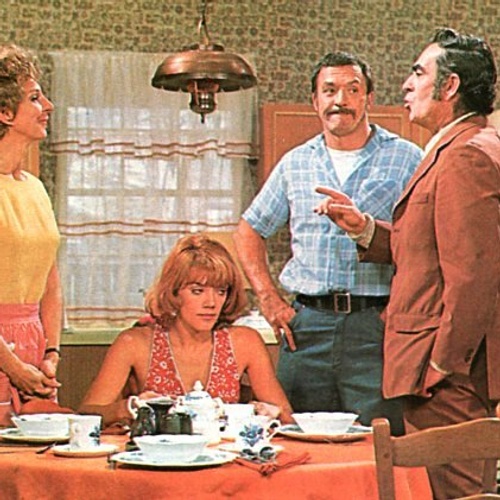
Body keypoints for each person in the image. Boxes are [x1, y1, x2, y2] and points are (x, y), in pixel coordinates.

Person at [315, 28, 500, 499]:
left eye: (419, 73)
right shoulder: (455, 147)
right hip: (434, 374)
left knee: (457, 494)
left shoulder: (465, 156)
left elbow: (474, 276)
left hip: (446, 379)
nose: (406, 84)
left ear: (450, 86)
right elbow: (428, 250)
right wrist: (363, 228)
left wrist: (442, 363)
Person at [233, 51, 423, 435]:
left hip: (376, 327)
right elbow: (249, 230)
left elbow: (426, 245)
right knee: (296, 440)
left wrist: (400, 309)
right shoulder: (295, 163)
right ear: (315, 100)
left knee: (381, 444)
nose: (341, 100)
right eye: (330, 90)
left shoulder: (407, 159)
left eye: (353, 90)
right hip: (306, 328)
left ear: (369, 98)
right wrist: (268, 299)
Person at [79, 234, 293, 428]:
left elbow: (286, 417)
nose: (211, 303)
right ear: (174, 292)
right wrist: (129, 407)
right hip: (157, 456)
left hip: (225, 454)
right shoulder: (134, 343)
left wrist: (266, 412)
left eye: (221, 291)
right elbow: (87, 414)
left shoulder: (245, 342)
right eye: (197, 291)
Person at [0, 44, 62, 426]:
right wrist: (12, 366)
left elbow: (51, 284)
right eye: (35, 98)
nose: (48, 106)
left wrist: (51, 354)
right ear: (4, 112)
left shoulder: (35, 188)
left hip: (34, 350)